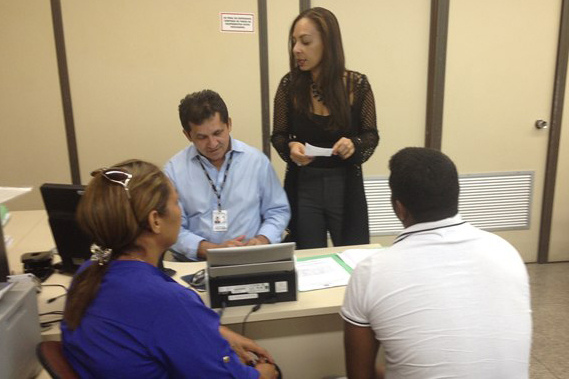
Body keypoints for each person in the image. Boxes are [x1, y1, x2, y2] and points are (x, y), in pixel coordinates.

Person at [61, 160, 279, 379]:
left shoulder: (89, 272)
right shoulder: (166, 301)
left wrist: (216, 332)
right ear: (155, 220)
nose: (180, 210)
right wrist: (268, 372)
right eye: (176, 202)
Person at [341, 147, 532, 379]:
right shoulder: (506, 251)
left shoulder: (371, 273)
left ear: (399, 207)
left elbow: (359, 376)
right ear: (456, 194)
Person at [271, 7, 379, 249]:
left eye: (305, 42)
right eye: (294, 42)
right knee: (307, 259)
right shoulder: (289, 86)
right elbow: (278, 135)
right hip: (304, 184)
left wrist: (355, 144)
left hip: (345, 185)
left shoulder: (357, 84)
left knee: (352, 256)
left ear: (328, 43)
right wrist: (290, 146)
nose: (296, 49)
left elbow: (371, 135)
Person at [165, 90, 290, 260]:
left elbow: (278, 210)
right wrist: (210, 249)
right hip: (197, 264)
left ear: (229, 124)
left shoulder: (256, 161)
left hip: (251, 259)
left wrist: (263, 239)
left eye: (218, 133)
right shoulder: (173, 171)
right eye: (202, 137)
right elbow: (171, 229)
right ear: (187, 135)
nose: (212, 144)